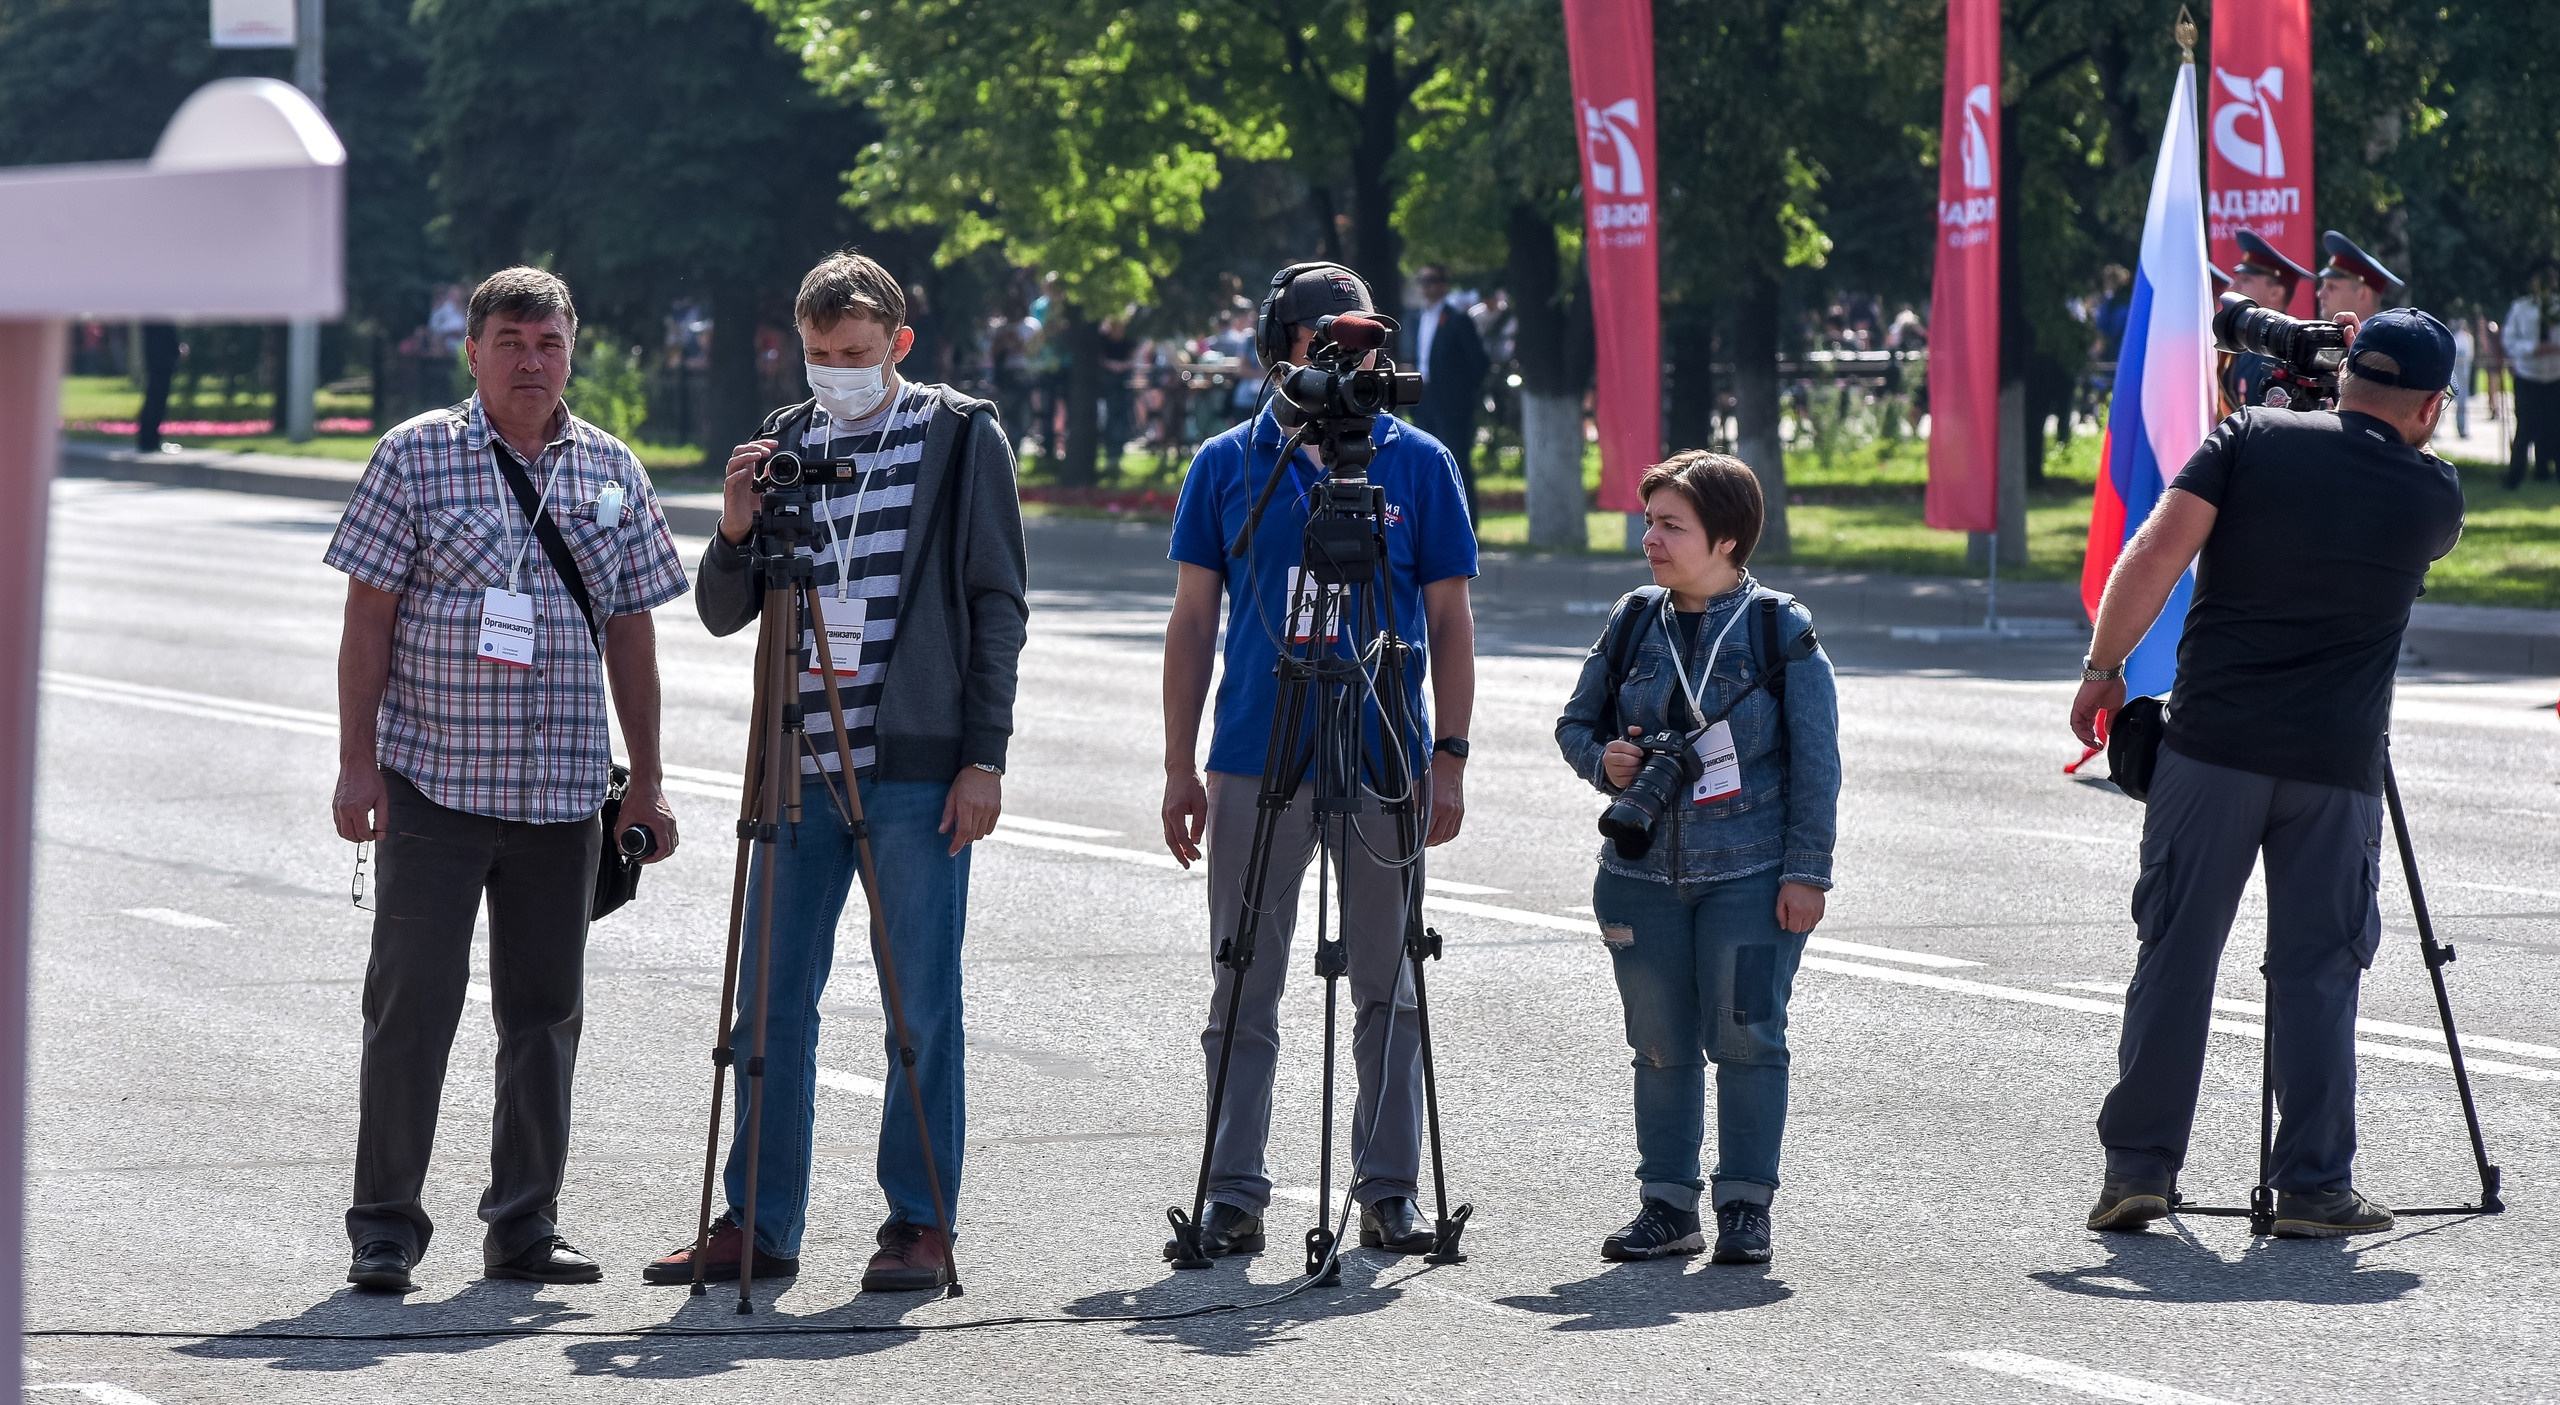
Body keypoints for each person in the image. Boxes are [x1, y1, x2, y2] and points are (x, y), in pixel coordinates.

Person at [642, 252, 1029, 1295]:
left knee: (920, 1005)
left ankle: (918, 1222)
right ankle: (757, 1221)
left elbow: (998, 605)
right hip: (798, 767)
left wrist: (982, 757)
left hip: (914, 768)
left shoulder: (957, 434)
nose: (834, 373)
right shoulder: (790, 440)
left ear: (897, 345)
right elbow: (725, 611)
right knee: (767, 1006)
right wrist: (730, 531)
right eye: (817, 355)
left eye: (854, 354)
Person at [326, 266, 691, 1293]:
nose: (532, 360)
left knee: (543, 1016)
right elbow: (368, 621)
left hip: (565, 795)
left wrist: (649, 780)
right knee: (413, 1008)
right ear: (473, 350)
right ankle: (385, 1225)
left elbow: (633, 633)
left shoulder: (611, 470)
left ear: (571, 352)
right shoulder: (416, 455)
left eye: (550, 344)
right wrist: (359, 759)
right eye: (512, 341)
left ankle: (525, 1224)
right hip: (434, 782)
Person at [2070, 309, 2465, 1239]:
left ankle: (2138, 1171)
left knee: (2175, 955)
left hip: (2211, 751)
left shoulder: (2250, 436)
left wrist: (2103, 667)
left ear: (2341, 370)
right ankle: (2314, 1187)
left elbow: (2156, 554)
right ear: (2434, 407)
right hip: (2337, 767)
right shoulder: (2432, 497)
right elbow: (2369, 463)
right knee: (2319, 972)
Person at [1159, 260, 1477, 1260]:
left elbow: (1451, 620)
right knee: (1242, 977)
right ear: (1278, 351)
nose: (1360, 360)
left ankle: (1389, 1190)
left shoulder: (1417, 460)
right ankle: (1232, 1191)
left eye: (1372, 341)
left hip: (1382, 749)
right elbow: (1192, 619)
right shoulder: (1224, 463)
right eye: (1332, 343)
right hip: (1257, 751)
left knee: (1388, 979)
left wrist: (1452, 756)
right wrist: (1180, 764)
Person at [1553, 452, 1838, 1266]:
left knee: (1749, 1038)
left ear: (1726, 538)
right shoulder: (1635, 618)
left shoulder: (1779, 628)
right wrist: (1601, 759)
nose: (1650, 538)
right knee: (1659, 1044)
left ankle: (1746, 1203)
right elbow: (1575, 725)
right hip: (1639, 879)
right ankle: (1667, 1205)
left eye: (1670, 524)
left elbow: (1818, 762)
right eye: (1649, 521)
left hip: (1750, 880)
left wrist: (1806, 872)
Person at [1406, 265, 1491, 525]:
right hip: (1423, 399)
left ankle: (1467, 525)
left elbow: (1479, 363)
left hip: (1452, 404)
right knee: (1424, 462)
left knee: (1456, 461)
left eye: (1432, 281)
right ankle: (1432, 524)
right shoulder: (1414, 318)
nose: (1427, 287)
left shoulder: (1457, 319)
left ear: (1444, 284)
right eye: (1422, 281)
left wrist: (1461, 393)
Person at [2221, 228, 2315, 412]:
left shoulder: (2290, 347)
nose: (2233, 287)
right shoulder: (2241, 341)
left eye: (2245, 280)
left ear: (2275, 292)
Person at [2500, 265, 2560, 489]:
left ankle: (2550, 472)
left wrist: (2554, 347)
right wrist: (2533, 348)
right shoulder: (2521, 308)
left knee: (2556, 426)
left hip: (2555, 375)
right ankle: (2515, 475)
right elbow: (2510, 340)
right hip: (2529, 376)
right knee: (2525, 428)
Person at [2315, 231, 2403, 326]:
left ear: (2363, 293)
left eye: (2331, 287)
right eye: (2323, 285)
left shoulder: (2383, 339)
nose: (2319, 294)